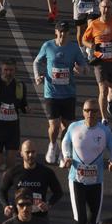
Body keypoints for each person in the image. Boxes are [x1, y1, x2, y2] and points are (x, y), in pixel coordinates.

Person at [62, 98, 112, 224]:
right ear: (83, 112)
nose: (91, 114)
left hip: (96, 182)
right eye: (87, 110)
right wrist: (67, 157)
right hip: (77, 181)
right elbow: (65, 143)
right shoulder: (74, 127)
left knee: (94, 222)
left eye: (94, 111)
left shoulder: (104, 131)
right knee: (80, 220)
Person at [33, 20, 89, 165]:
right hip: (51, 93)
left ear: (69, 33)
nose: (63, 34)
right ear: (56, 32)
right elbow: (37, 62)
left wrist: (81, 69)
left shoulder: (74, 48)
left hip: (68, 93)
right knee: (54, 125)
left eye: (65, 32)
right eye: (60, 32)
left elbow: (84, 66)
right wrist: (37, 75)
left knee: (67, 126)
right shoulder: (48, 46)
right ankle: (52, 146)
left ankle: (64, 151)